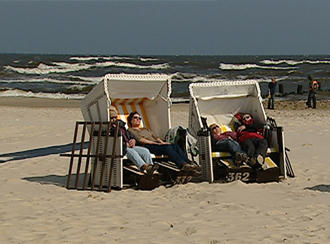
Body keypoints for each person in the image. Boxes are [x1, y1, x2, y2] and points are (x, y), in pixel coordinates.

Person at [127, 111, 200, 173]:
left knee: (175, 145)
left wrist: (162, 142)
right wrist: (156, 143)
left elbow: (156, 137)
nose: (138, 120)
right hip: (147, 145)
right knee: (167, 148)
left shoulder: (145, 129)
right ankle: (182, 164)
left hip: (156, 144)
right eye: (135, 118)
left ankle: (189, 163)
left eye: (139, 118)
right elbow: (140, 139)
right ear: (131, 120)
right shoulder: (131, 130)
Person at [109, 106, 158, 175]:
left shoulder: (120, 125)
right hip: (120, 147)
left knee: (145, 151)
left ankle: (150, 168)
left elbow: (129, 134)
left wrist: (133, 140)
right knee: (130, 151)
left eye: (115, 117)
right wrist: (123, 143)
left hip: (129, 146)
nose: (114, 120)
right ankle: (144, 166)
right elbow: (111, 140)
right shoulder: (108, 128)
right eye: (111, 118)